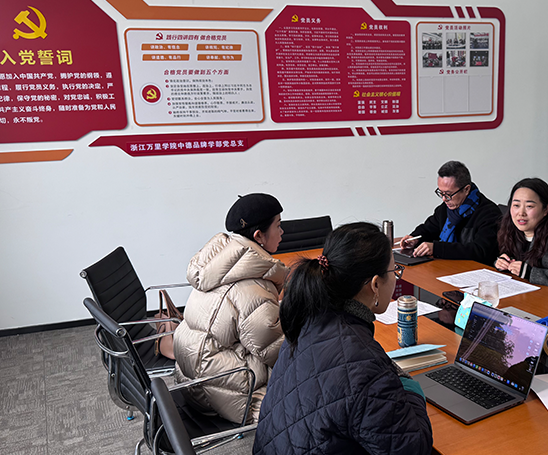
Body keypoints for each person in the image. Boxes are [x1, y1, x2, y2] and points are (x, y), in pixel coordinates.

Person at [254, 222, 433, 455]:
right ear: (375, 285)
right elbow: (413, 448)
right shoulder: (365, 366)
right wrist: (410, 389)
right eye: (394, 271)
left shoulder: (307, 318)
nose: (396, 278)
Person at [173, 193, 288, 425]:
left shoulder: (219, 266)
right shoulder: (251, 286)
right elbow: (275, 350)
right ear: (259, 236)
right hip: (223, 393)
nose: (282, 232)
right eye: (278, 225)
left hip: (192, 378)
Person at [399, 160, 501, 264]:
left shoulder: (489, 213)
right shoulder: (446, 208)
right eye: (441, 193)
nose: (444, 199)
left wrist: (437, 248)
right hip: (448, 266)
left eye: (448, 194)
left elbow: (480, 250)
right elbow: (429, 229)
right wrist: (414, 238)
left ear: (466, 189)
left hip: (475, 269)